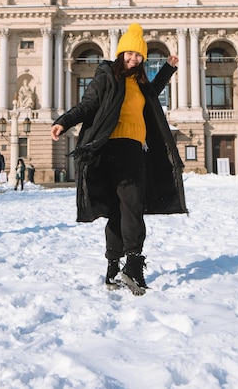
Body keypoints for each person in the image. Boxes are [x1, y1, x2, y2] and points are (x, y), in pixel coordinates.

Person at [51, 23, 187, 296]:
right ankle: (132, 265)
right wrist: (63, 122)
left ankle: (113, 269)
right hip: (109, 147)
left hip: (134, 148)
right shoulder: (106, 76)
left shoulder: (140, 82)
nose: (133, 59)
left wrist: (168, 68)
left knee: (120, 209)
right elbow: (88, 104)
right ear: (121, 52)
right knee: (130, 206)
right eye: (129, 53)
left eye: (138, 55)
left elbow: (153, 92)